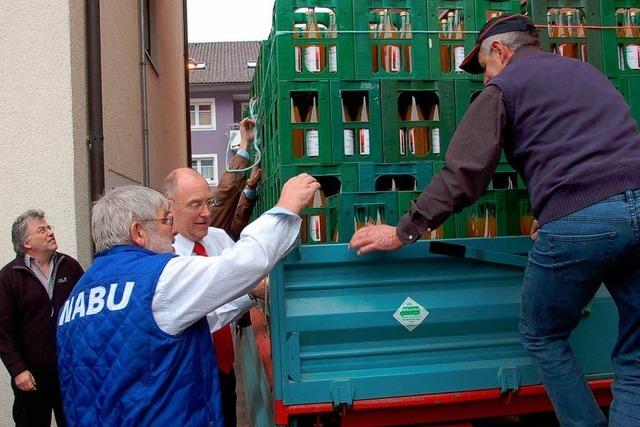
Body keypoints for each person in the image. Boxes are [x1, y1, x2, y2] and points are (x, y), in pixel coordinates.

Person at [349, 13, 640, 427]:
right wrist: (548, 208)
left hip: (579, 220)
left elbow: (464, 174)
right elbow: (594, 145)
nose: (484, 79)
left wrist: (403, 230)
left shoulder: (504, 87)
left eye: (484, 68)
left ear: (500, 51)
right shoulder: (587, 73)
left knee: (543, 334)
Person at [56, 174, 318, 426]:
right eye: (164, 221)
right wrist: (285, 209)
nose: (172, 231)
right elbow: (240, 265)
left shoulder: (76, 298)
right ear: (138, 231)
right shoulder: (158, 279)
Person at [163, 117, 261, 426]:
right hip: (188, 375)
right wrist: (249, 292)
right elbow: (201, 317)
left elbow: (245, 274)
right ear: (169, 208)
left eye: (208, 203)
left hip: (224, 368)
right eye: (195, 205)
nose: (206, 213)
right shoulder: (165, 258)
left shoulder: (218, 239)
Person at [0, 210, 84, 427]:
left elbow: (85, 313)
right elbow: (2, 330)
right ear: (26, 243)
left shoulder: (70, 266)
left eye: (49, 228)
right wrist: (17, 370)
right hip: (31, 375)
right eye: (42, 230)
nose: (50, 232)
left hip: (68, 370)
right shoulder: (10, 276)